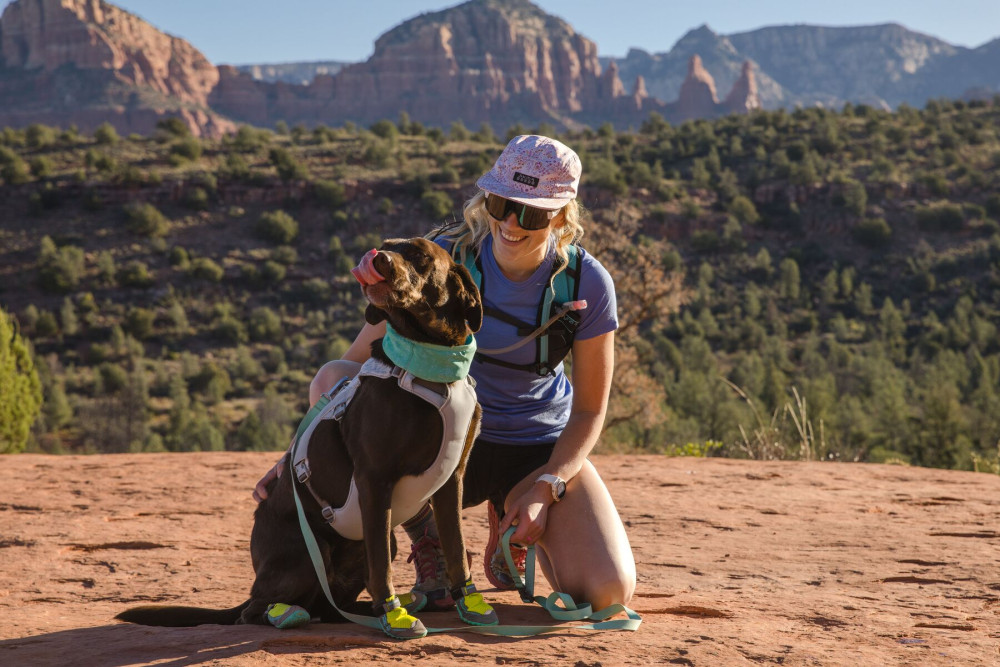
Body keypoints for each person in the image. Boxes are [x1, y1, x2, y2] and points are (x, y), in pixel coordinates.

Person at [255, 134, 635, 614]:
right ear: (487, 200)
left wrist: (549, 484)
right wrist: (296, 459)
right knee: (331, 379)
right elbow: (354, 364)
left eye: (533, 213)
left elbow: (589, 409)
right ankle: (430, 544)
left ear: (562, 216)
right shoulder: (441, 257)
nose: (510, 224)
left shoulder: (586, 282)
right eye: (501, 204)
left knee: (608, 593)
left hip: (535, 448)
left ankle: (514, 523)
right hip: (439, 442)